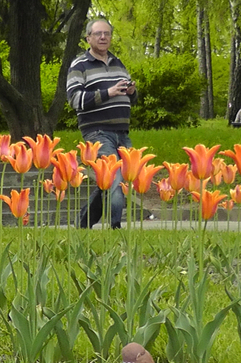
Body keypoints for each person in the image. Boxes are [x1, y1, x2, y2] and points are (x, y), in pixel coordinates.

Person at [67, 18, 138, 229]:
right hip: (97, 133)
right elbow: (74, 100)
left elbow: (130, 100)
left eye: (107, 33)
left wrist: (132, 93)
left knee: (116, 179)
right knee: (114, 181)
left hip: (122, 132)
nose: (103, 37)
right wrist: (108, 93)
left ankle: (83, 224)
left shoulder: (118, 63)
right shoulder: (79, 65)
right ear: (88, 38)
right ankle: (116, 228)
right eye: (98, 34)